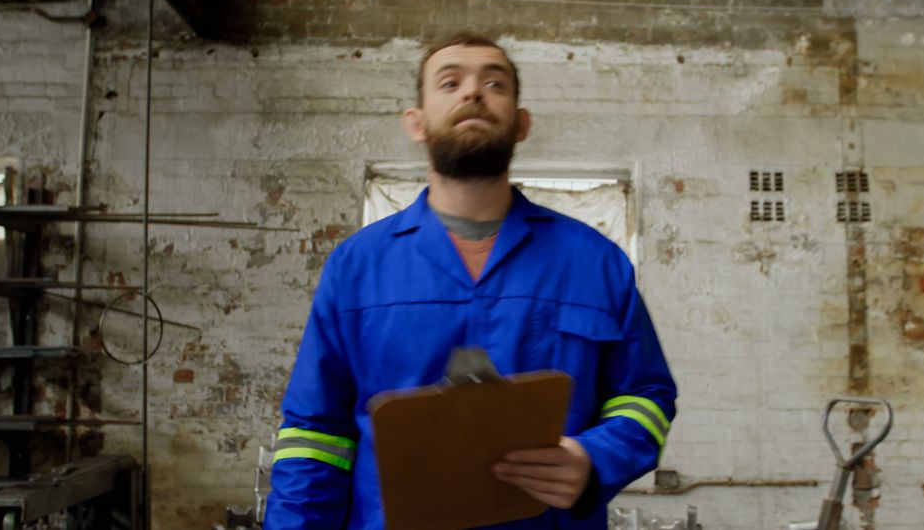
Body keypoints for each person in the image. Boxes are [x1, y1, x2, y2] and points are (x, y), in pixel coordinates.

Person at [264, 32, 678, 529]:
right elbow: (315, 436)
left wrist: (594, 460)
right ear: (415, 123)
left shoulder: (594, 263)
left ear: (521, 124)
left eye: (494, 83)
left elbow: (645, 398)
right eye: (450, 82)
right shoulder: (357, 268)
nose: (472, 92)